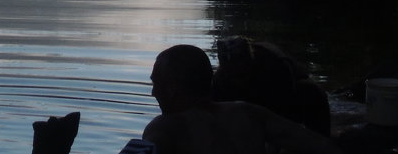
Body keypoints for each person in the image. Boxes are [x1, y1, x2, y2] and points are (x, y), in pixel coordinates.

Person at [142, 44, 340, 154]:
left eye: (156, 84)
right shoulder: (249, 113)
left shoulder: (165, 127)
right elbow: (323, 146)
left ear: (172, 88)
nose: (153, 93)